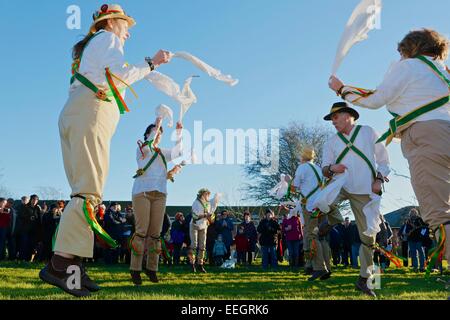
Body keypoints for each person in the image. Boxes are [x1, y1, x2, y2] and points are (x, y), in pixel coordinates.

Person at [39, 3, 172, 297]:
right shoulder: (108, 39)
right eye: (126, 26)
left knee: (85, 189)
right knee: (89, 190)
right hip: (91, 113)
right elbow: (122, 74)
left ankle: (73, 267)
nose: (128, 33)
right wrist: (153, 62)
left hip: (79, 113)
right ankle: (60, 265)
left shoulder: (95, 44)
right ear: (112, 22)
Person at [329, 28, 450, 272]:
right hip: (444, 133)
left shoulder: (408, 66)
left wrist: (342, 89)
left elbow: (376, 98)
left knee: (439, 212)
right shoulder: (443, 72)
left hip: (427, 138)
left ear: (410, 48)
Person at [322, 102, 391, 297]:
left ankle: (364, 280)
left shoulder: (368, 132)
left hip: (364, 190)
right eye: (331, 119)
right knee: (318, 203)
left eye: (335, 118)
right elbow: (324, 169)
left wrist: (378, 179)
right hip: (340, 187)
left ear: (348, 115)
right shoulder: (331, 142)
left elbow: (384, 161)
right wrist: (331, 169)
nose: (333, 122)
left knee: (369, 238)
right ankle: (332, 220)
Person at [129, 115, 183, 285]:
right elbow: (149, 146)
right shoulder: (142, 147)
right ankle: (135, 269)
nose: (158, 134)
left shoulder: (162, 153)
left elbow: (178, 153)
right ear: (147, 134)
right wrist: (158, 124)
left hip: (160, 193)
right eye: (155, 131)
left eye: (160, 132)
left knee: (155, 234)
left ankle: (152, 269)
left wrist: (179, 133)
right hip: (142, 192)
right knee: (141, 231)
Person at [291, 146, 326, 277]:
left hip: (309, 206)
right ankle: (310, 265)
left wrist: (289, 182)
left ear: (303, 157)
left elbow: (294, 188)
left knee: (310, 235)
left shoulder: (302, 167)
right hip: (320, 206)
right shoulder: (319, 169)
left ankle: (319, 267)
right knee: (317, 235)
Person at [189, 188, 219, 273]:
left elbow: (212, 209)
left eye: (209, 195)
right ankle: (192, 264)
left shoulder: (208, 204)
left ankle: (200, 265)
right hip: (194, 225)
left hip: (204, 226)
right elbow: (195, 216)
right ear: (202, 195)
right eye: (207, 195)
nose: (208, 196)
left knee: (203, 246)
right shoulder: (196, 203)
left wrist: (211, 216)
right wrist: (206, 215)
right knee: (194, 245)